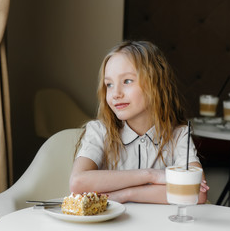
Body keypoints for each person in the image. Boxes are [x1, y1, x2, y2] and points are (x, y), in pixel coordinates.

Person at [69, 40, 209, 204]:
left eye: (127, 81)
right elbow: (78, 183)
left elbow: (196, 193)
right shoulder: (99, 131)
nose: (115, 93)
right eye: (109, 84)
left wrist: (126, 194)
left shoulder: (179, 135)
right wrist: (151, 175)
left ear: (155, 84)